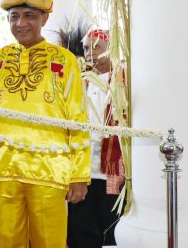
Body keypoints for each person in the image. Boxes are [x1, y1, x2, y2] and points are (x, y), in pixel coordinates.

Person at [0, 0, 91, 248]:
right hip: (3, 170)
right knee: (5, 242)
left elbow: (77, 119)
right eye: (14, 17)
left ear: (45, 18)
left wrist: (80, 174)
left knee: (50, 242)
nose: (20, 23)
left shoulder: (64, 60)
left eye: (29, 16)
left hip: (50, 171)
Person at [67, 29, 125, 248]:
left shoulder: (122, 79)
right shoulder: (79, 82)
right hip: (83, 169)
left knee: (112, 226)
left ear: (110, 48)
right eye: (85, 48)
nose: (89, 52)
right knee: (80, 225)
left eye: (96, 47)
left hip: (112, 170)